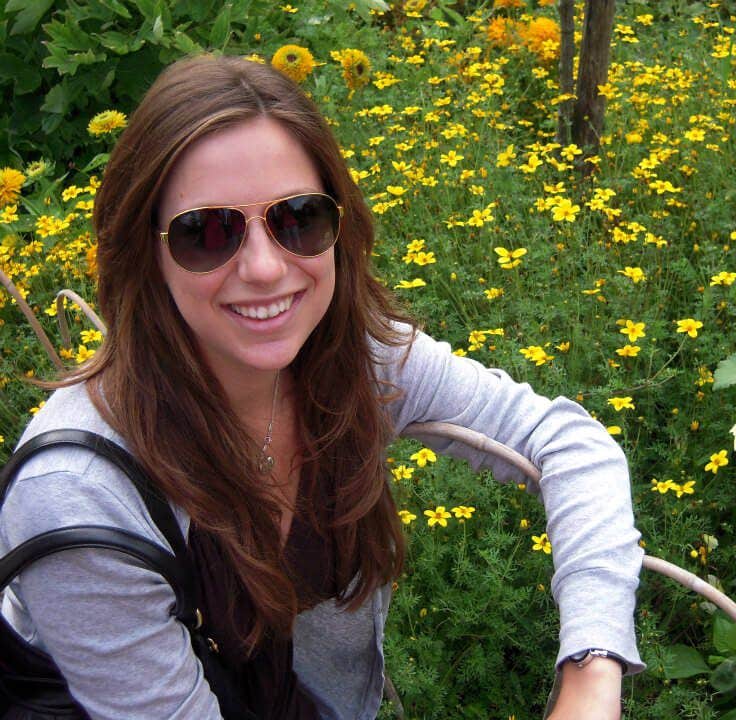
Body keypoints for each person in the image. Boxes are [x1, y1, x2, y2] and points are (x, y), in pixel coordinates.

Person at [0, 55, 643, 719]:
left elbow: (566, 441)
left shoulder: (351, 357)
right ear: (145, 251)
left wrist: (591, 674)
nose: (263, 267)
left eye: (297, 218)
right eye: (207, 232)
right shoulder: (77, 496)